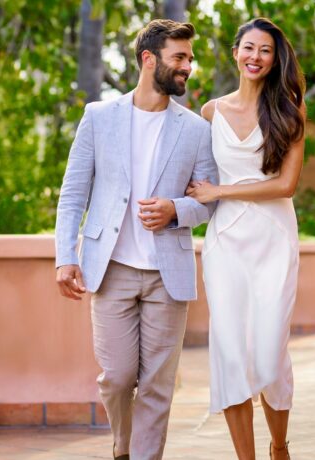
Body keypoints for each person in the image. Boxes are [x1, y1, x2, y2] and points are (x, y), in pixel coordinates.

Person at [54, 19, 217, 460]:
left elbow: (209, 201)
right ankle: (122, 449)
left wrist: (174, 211)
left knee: (158, 387)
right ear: (149, 59)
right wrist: (64, 256)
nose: (187, 67)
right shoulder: (98, 116)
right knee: (118, 376)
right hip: (111, 270)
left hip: (169, 274)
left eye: (189, 58)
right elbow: (73, 193)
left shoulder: (197, 129)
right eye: (179, 58)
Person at [186, 17, 306, 460]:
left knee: (270, 352)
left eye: (266, 51)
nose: (256, 57)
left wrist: (222, 191)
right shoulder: (210, 112)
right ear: (235, 52)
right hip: (225, 245)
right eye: (249, 48)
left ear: (275, 60)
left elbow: (285, 185)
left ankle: (279, 445)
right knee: (231, 351)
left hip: (274, 238)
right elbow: (196, 180)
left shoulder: (289, 111)